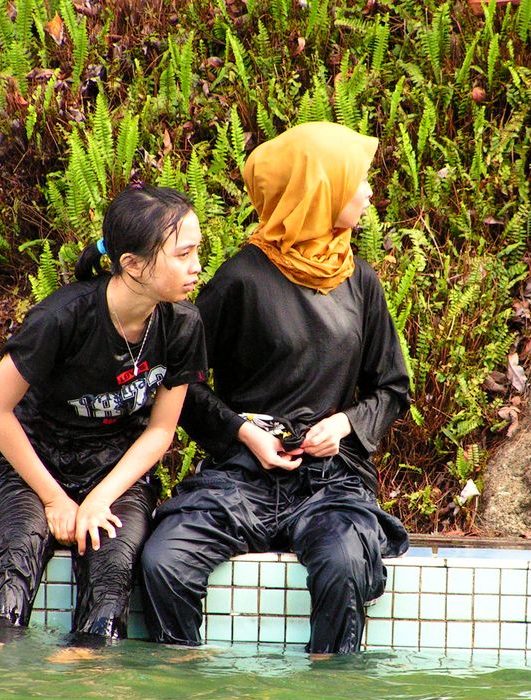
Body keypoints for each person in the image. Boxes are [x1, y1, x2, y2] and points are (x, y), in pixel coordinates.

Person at [141, 122, 410, 655]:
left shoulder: (362, 281)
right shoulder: (241, 278)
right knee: (164, 559)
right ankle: (184, 694)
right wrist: (242, 432)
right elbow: (181, 385)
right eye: (358, 180)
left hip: (332, 481)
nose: (369, 192)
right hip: (242, 479)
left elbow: (391, 387)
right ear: (320, 190)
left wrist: (346, 425)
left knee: (344, 563)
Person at [0, 185, 206, 658]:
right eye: (184, 254)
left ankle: (82, 692)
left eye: (197, 251)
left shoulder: (182, 325)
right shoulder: (62, 317)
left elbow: (160, 431)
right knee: (16, 558)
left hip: (114, 472)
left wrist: (99, 497)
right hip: (32, 469)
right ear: (133, 265)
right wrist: (54, 498)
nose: (197, 265)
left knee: (113, 575)